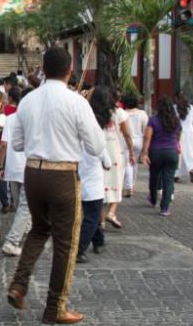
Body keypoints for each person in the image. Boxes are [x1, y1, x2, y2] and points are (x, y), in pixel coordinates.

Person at [7, 46, 105, 325]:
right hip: (62, 175)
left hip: (33, 172)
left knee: (39, 230)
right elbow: (96, 147)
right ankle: (55, 306)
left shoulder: (28, 101)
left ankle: (19, 283)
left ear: (43, 70)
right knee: (66, 242)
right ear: (69, 71)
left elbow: (16, 144)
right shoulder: (76, 102)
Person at [76, 91, 113, 263]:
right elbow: (107, 163)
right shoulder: (98, 143)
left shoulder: (76, 140)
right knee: (91, 218)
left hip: (79, 183)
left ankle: (98, 241)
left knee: (93, 215)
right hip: (93, 186)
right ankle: (79, 249)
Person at [0, 87, 32, 257]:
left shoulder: (10, 118)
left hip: (13, 166)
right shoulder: (33, 119)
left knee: (22, 203)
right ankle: (14, 239)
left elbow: (5, 144)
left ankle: (25, 228)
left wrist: (1, 165)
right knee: (25, 204)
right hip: (28, 166)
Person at [141, 97, 182, 216]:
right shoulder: (176, 120)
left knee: (154, 177)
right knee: (168, 181)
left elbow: (147, 137)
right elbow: (178, 136)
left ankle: (153, 199)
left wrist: (145, 153)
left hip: (156, 152)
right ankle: (165, 208)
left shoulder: (153, 120)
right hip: (171, 152)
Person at [100, 89, 134, 230]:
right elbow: (127, 134)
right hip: (115, 150)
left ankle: (100, 221)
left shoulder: (97, 112)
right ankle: (112, 213)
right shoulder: (120, 113)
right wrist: (131, 151)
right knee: (117, 181)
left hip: (101, 149)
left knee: (102, 185)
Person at [122, 93, 147, 197]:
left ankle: (129, 187)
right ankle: (133, 184)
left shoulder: (122, 113)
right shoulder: (142, 113)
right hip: (138, 141)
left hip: (125, 140)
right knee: (134, 163)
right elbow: (146, 128)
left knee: (127, 163)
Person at [175, 94, 193, 183]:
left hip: (179, 133)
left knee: (179, 153)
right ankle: (192, 168)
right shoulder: (191, 108)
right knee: (191, 152)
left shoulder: (175, 108)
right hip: (190, 133)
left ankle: (176, 174)